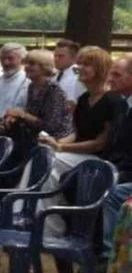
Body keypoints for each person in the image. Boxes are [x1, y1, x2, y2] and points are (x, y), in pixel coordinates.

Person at [36, 46, 123, 236]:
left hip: (97, 159)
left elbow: (101, 143)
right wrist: (54, 142)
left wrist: (61, 147)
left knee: (52, 165)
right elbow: (77, 133)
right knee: (42, 154)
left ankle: (50, 230)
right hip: (78, 154)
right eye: (79, 64)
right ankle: (26, 212)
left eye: (87, 64)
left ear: (100, 68)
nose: (80, 68)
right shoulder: (84, 99)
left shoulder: (112, 101)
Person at [0, 49, 70, 162]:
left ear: (44, 67)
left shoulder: (53, 90)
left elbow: (51, 126)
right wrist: (13, 118)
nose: (26, 67)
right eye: (26, 63)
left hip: (52, 140)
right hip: (32, 135)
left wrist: (22, 114)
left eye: (31, 64)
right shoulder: (32, 86)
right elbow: (30, 116)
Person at [100, 57, 132, 270]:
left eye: (117, 74)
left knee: (113, 192)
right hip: (120, 164)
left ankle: (108, 256)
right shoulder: (123, 103)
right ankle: (89, 240)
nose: (110, 79)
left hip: (128, 170)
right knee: (80, 177)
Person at [0, 43, 29, 122]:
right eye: (2, 59)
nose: (6, 62)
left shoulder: (26, 82)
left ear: (22, 60)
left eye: (10, 58)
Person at [53, 38, 86, 129]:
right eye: (55, 55)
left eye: (61, 56)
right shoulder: (55, 75)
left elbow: (74, 104)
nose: (56, 59)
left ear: (74, 58)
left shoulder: (77, 77)